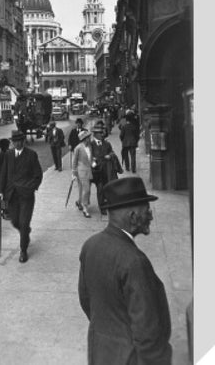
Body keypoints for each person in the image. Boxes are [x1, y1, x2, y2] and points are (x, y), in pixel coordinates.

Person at [78, 176, 172, 365]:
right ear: (132, 216)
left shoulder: (90, 245)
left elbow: (86, 299)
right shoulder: (134, 262)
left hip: (100, 353)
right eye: (147, 210)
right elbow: (148, 333)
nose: (151, 216)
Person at [0, 129, 43, 263]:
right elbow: (3, 174)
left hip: (26, 196)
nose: (17, 144)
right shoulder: (8, 155)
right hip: (11, 196)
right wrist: (0, 191)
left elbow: (38, 175)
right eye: (14, 141)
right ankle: (25, 231)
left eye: (19, 141)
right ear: (12, 142)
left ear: (23, 141)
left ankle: (23, 250)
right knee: (15, 222)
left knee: (23, 222)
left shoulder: (31, 155)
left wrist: (30, 187)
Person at [90, 122, 119, 216]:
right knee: (100, 189)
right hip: (97, 171)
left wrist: (110, 156)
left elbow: (112, 152)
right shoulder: (91, 145)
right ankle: (102, 207)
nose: (102, 134)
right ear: (95, 134)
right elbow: (88, 157)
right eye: (99, 133)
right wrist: (93, 161)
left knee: (108, 187)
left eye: (102, 132)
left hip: (107, 170)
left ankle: (108, 203)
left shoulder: (107, 144)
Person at [72, 130, 93, 218]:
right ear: (85, 139)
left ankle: (79, 201)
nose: (90, 138)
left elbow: (90, 158)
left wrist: (93, 163)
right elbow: (74, 161)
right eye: (88, 137)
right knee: (87, 190)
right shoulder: (78, 148)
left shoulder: (90, 147)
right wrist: (73, 172)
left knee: (82, 189)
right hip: (81, 171)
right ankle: (85, 208)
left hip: (89, 170)